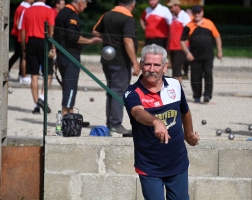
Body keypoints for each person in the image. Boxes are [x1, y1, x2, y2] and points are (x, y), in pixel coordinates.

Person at [123, 44, 200, 199]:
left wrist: (189, 134)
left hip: (177, 162)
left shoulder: (175, 85)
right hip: (150, 166)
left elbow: (184, 111)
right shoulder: (132, 93)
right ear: (141, 65)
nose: (152, 69)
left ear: (165, 67)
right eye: (148, 64)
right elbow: (138, 113)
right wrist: (156, 122)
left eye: (157, 65)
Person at [92, 0, 140, 135]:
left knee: (111, 91)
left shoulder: (107, 15)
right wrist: (135, 62)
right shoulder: (128, 18)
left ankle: (111, 123)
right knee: (118, 91)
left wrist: (108, 39)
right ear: (132, 4)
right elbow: (127, 40)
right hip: (121, 60)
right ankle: (115, 125)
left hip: (107, 59)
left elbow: (95, 31)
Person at [54, 0, 101, 127]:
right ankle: (66, 119)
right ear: (79, 2)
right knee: (70, 86)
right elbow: (73, 36)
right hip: (70, 55)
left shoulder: (62, 12)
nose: (85, 8)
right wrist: (91, 41)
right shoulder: (71, 15)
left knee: (68, 85)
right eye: (85, 4)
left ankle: (71, 117)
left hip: (62, 54)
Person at [181, 5, 222, 103]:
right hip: (194, 56)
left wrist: (219, 51)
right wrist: (187, 53)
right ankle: (197, 96)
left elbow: (217, 36)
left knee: (208, 75)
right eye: (195, 12)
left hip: (208, 55)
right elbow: (182, 41)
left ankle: (207, 95)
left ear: (202, 12)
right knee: (195, 76)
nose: (197, 14)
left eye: (198, 12)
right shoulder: (189, 25)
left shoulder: (209, 23)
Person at [20, 0, 55, 114]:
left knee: (34, 75)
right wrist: (53, 47)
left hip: (31, 42)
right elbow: (51, 30)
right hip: (44, 42)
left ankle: (36, 105)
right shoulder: (49, 10)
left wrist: (24, 48)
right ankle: (42, 97)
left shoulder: (27, 11)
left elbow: (23, 31)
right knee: (48, 73)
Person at [9, 0, 34, 84]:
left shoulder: (21, 7)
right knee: (21, 55)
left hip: (17, 33)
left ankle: (20, 74)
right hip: (19, 34)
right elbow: (18, 23)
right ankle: (21, 75)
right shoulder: (24, 8)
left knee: (19, 55)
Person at [167, 0, 191, 83]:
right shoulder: (174, 17)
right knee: (175, 69)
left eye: (172, 7)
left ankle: (178, 89)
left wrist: (186, 48)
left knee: (177, 70)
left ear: (177, 6)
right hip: (173, 47)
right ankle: (175, 89)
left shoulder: (184, 16)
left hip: (180, 47)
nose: (170, 9)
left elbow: (188, 32)